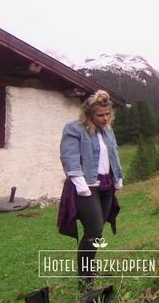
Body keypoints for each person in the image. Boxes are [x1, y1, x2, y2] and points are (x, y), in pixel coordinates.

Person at [57, 90, 123, 291]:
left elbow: (114, 155)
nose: (105, 118)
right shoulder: (74, 128)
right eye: (100, 115)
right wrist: (80, 185)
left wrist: (117, 177)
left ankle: (89, 269)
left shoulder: (108, 131)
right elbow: (69, 156)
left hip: (106, 185)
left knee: (97, 231)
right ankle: (85, 282)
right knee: (93, 230)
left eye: (107, 114)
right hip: (86, 186)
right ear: (89, 114)